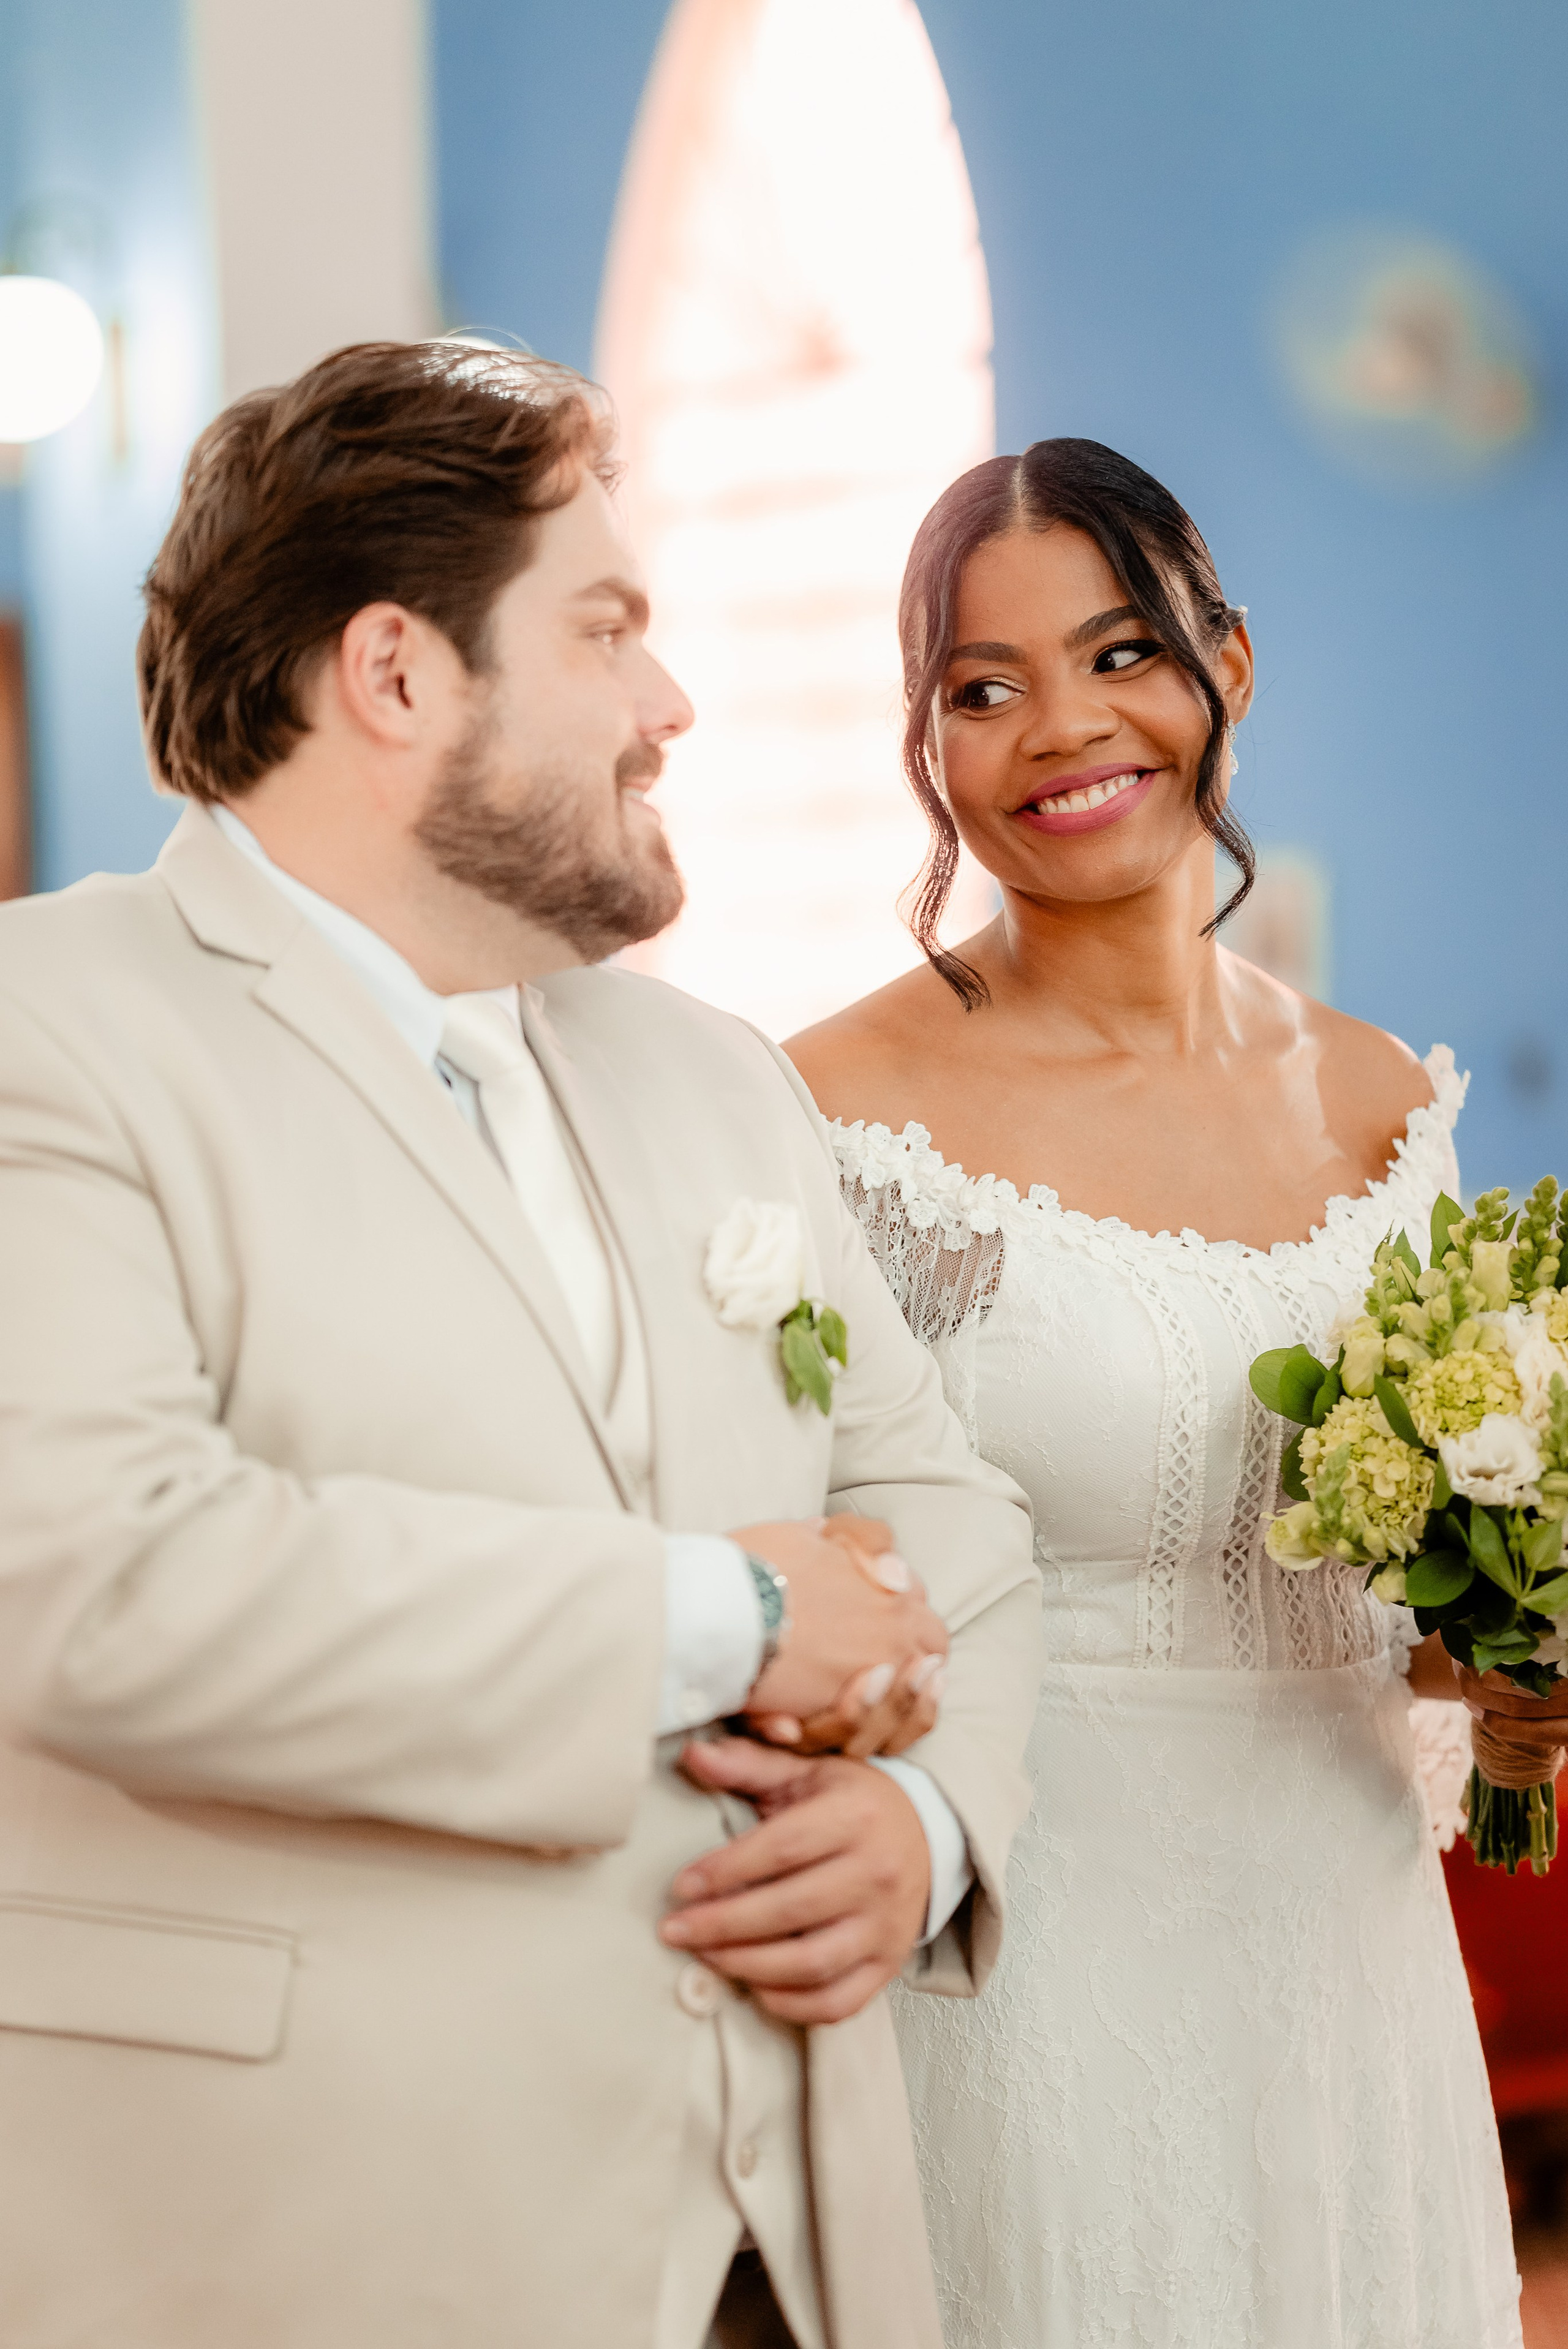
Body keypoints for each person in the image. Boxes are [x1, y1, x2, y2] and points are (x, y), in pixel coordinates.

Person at [0, 343, 1043, 2349]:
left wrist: (924, 1828)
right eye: (608, 629)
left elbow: (950, 1514)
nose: (671, 703)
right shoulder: (50, 1027)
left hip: (785, 2257)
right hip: (316, 2250)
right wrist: (734, 1614)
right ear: (397, 673)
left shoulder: (715, 1076)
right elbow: (103, 1578)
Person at [787, 439, 1522, 2348]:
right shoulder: (825, 1110)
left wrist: (1515, 1673)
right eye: (984, 686)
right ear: (925, 739)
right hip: (1025, 1973)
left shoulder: (1382, 1101)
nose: (1062, 728)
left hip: (1348, 1959)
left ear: (1230, 665)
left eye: (1121, 654)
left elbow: (1408, 1607)